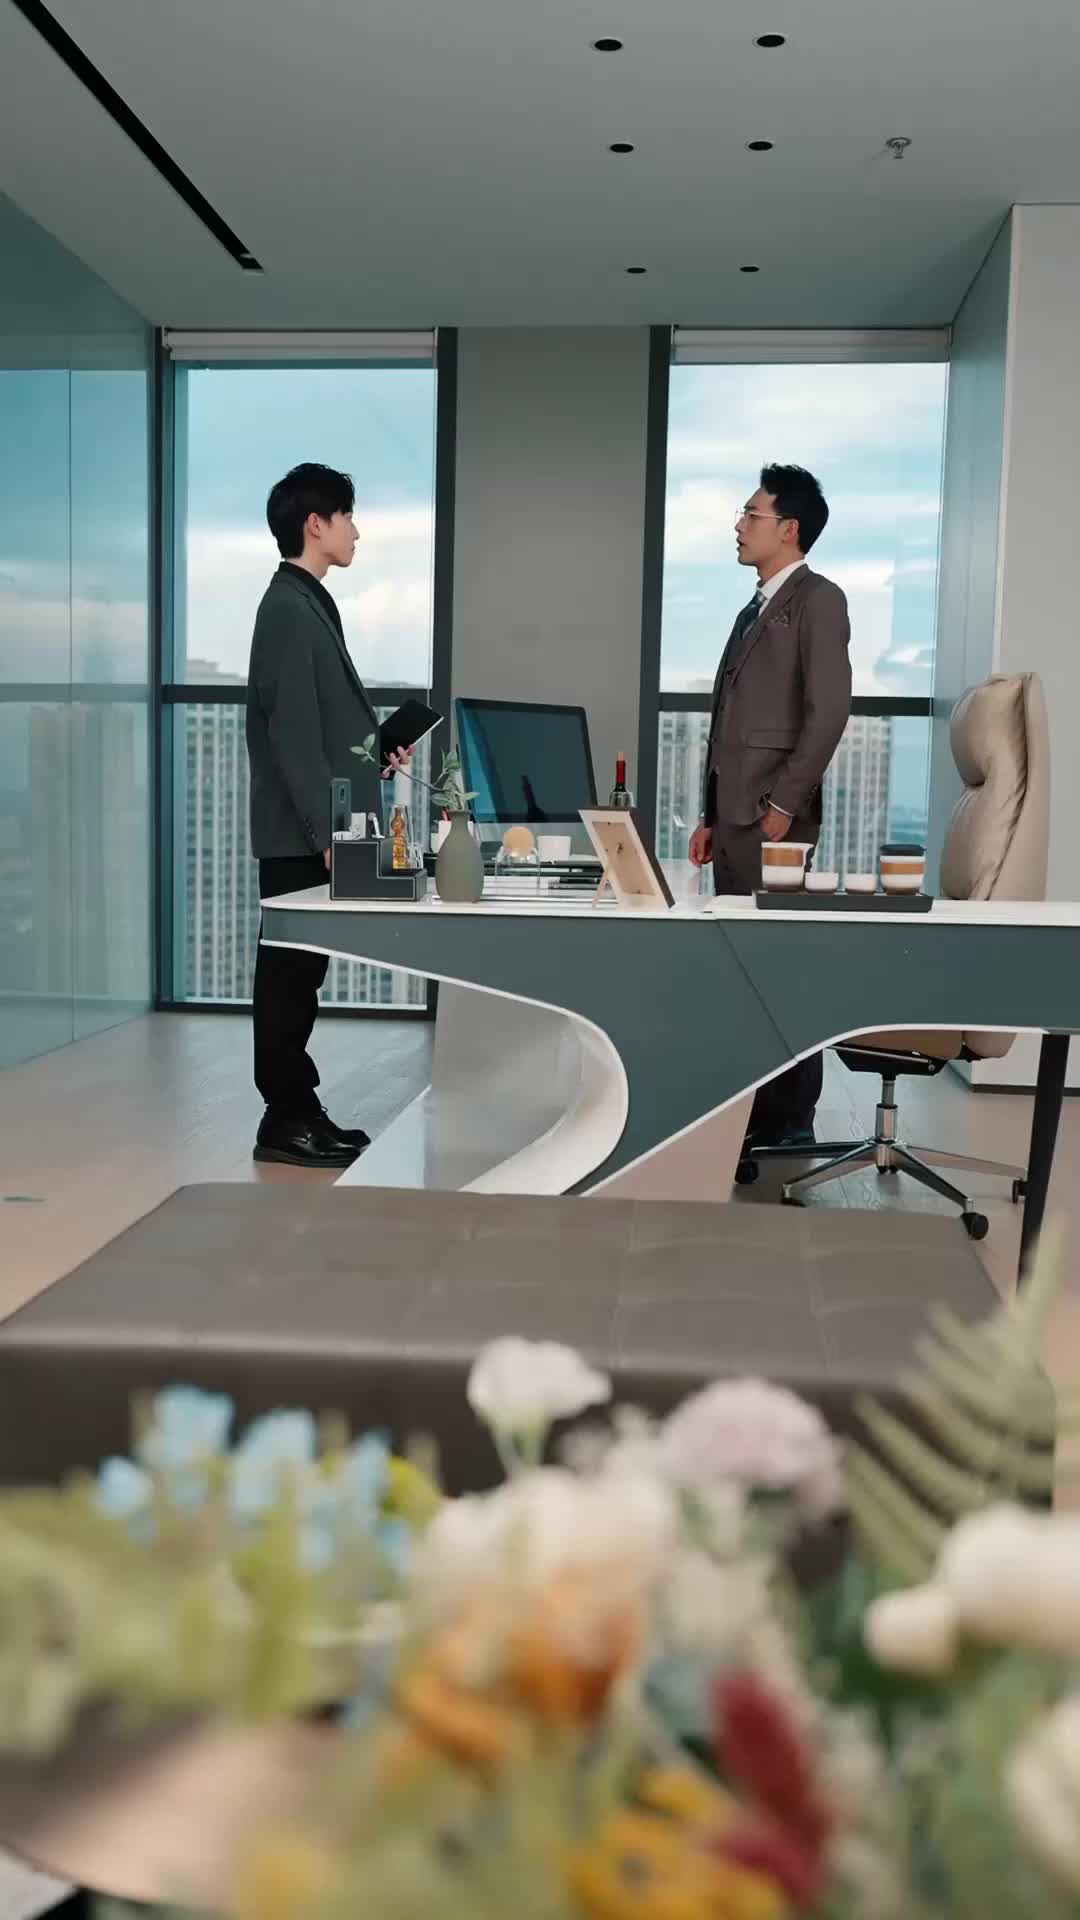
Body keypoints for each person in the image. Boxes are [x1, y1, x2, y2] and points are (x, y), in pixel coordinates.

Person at [246, 462, 411, 1169]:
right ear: (316, 524)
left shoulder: (308, 603)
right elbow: (290, 733)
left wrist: (375, 753)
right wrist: (328, 835)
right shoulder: (287, 608)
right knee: (288, 976)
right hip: (303, 834)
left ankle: (298, 1111)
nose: (356, 532)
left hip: (318, 825)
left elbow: (320, 727)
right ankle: (285, 1117)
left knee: (302, 973)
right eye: (347, 517)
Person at [689, 463, 851, 1147]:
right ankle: (751, 1115)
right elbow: (729, 721)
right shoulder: (751, 609)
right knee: (743, 975)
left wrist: (785, 802)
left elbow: (829, 710)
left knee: (777, 973)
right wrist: (709, 813)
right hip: (733, 818)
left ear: (789, 528)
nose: (739, 525)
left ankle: (789, 1124)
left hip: (773, 820)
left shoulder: (819, 600)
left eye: (751, 514)